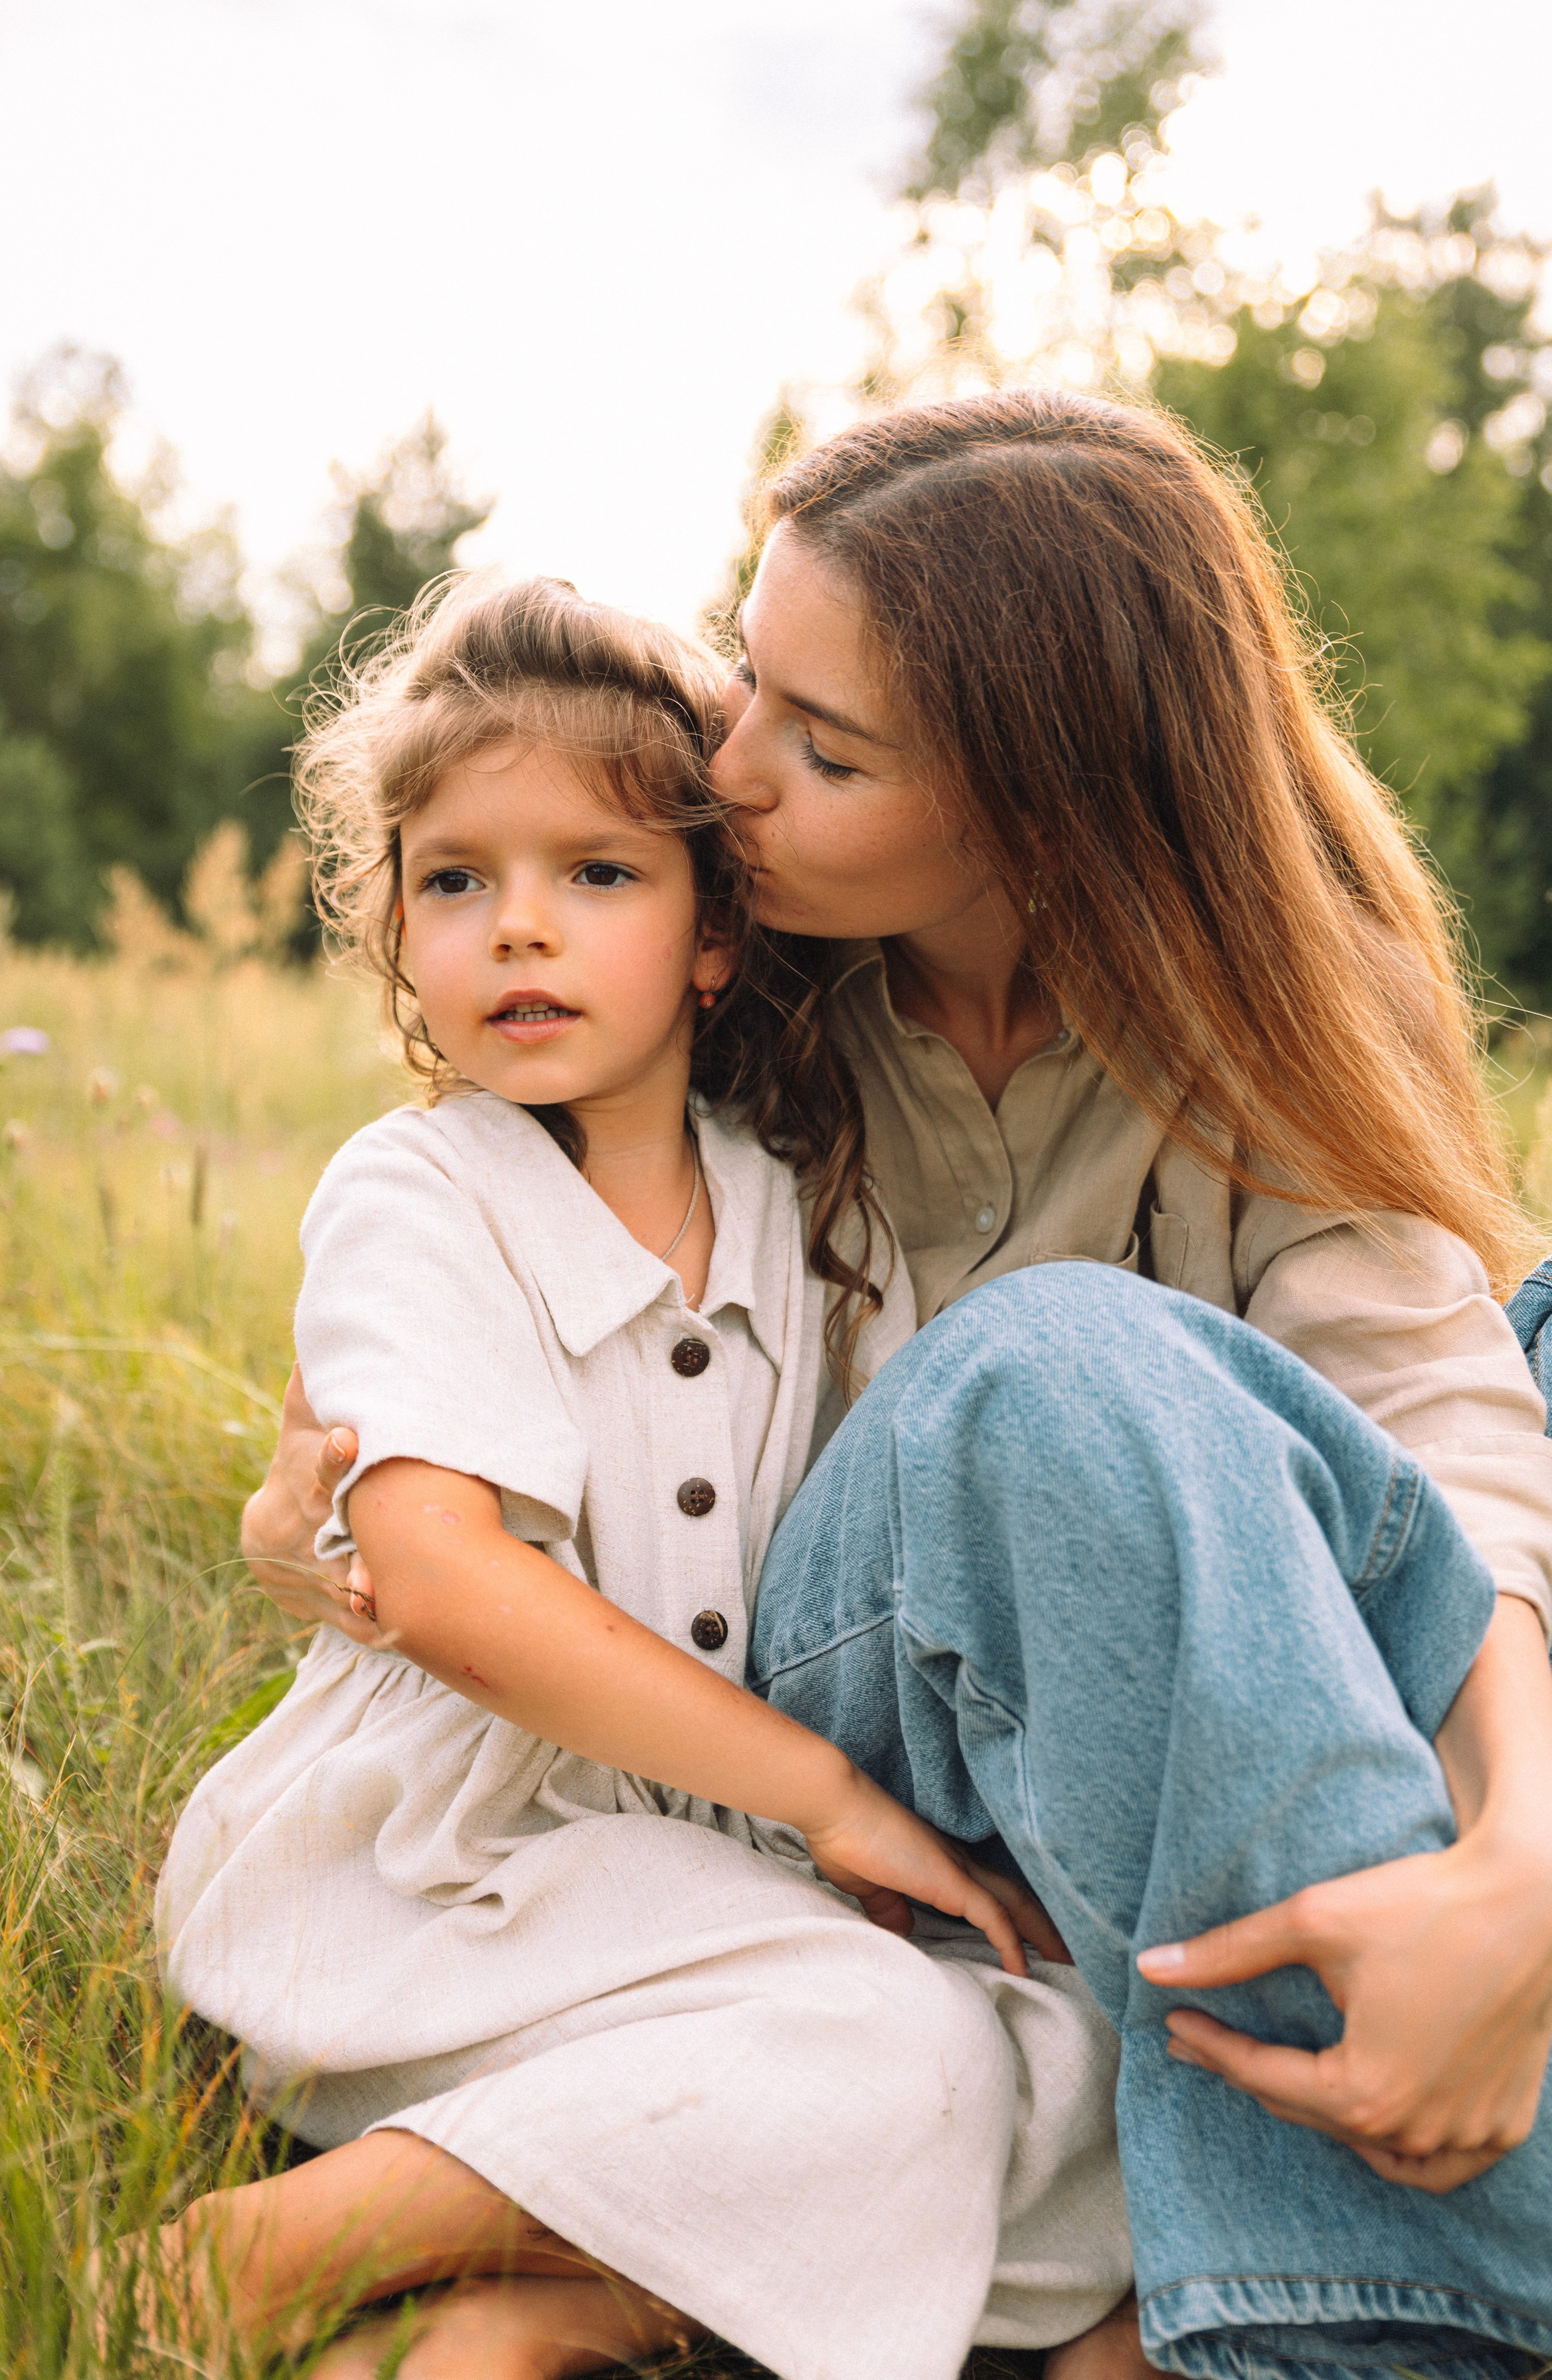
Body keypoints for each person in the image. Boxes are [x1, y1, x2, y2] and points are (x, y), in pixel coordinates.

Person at [243, 392, 1552, 2380]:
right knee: (1056, 1365)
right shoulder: (742, 951)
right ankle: (1379, 2304)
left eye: (819, 748)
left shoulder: (1261, 983)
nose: (726, 774)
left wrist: (1534, 1840)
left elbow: (1427, 1396)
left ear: (1043, 808)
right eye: (755, 683)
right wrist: (347, 1506)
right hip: (878, 1678)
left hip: (1224, 1674)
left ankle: (1413, 2054)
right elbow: (489, 1227)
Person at [147, 578, 1141, 2380]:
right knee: (884, 2045)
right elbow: (445, 1585)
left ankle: (540, 2319)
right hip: (435, 1884)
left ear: (708, 933)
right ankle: (283, 2244)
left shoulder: (807, 1208)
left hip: (704, 1895)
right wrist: (827, 1796)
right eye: (456, 879)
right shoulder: (419, 1193)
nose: (518, 928)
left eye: (597, 874)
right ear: (399, 930)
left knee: (1086, 2078)